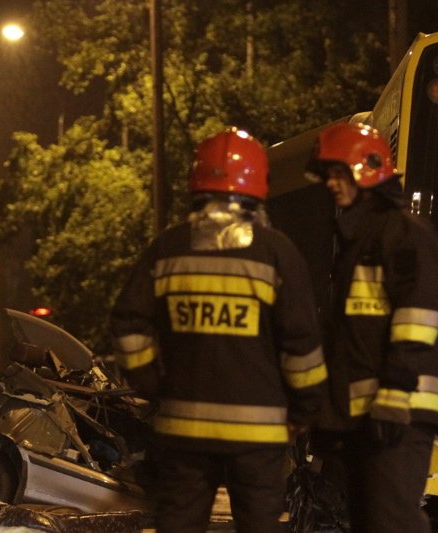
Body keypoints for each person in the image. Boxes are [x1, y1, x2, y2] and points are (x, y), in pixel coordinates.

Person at [110, 127, 327, 533]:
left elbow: (127, 323)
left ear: (197, 183)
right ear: (257, 185)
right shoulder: (277, 253)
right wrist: (304, 411)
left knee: (179, 524)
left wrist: (152, 383)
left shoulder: (167, 248)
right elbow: (301, 346)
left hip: (184, 427)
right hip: (259, 434)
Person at [306, 122, 438, 533]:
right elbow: (346, 339)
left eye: (338, 173)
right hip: (365, 415)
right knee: (370, 522)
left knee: (391, 521)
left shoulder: (402, 232)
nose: (330, 183)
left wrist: (396, 392)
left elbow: (418, 315)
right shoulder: (358, 239)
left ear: (368, 168)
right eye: (327, 175)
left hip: (400, 410)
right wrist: (328, 417)